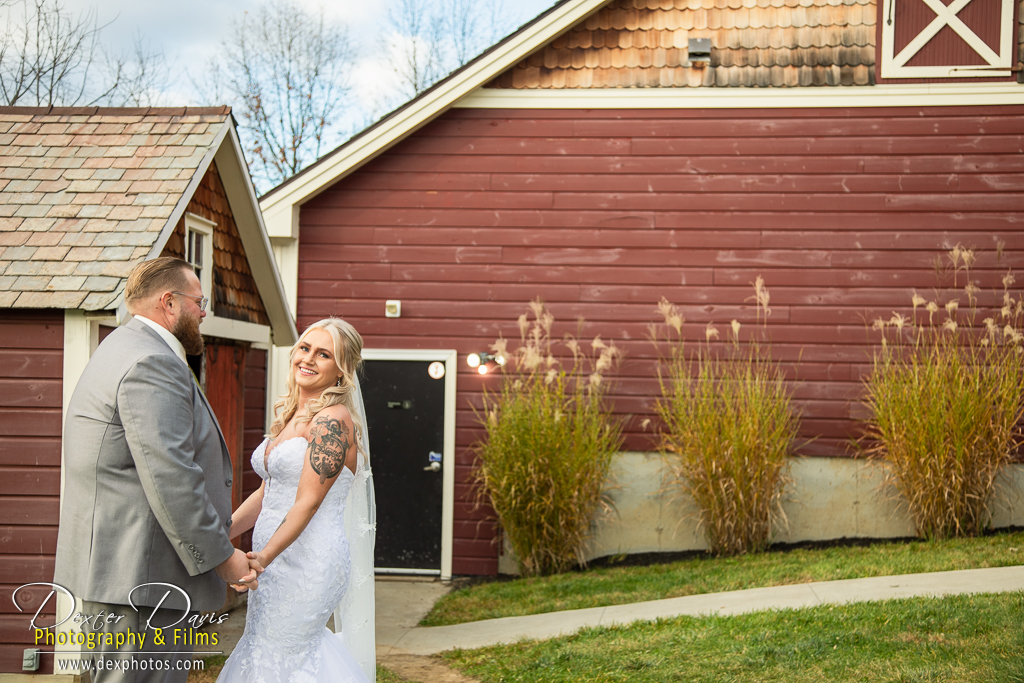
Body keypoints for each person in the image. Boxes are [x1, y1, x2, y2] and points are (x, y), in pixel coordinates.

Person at [53, 257, 261, 683]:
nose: (205, 312)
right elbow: (171, 477)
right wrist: (223, 559)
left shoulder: (120, 347)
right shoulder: (152, 362)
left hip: (123, 576)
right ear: (169, 302)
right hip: (144, 581)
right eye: (199, 302)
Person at [217, 318, 377, 683]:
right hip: (273, 558)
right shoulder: (290, 415)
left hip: (309, 561)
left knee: (287, 652)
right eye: (305, 348)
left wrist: (262, 559)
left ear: (341, 369)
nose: (308, 359)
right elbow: (265, 493)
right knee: (264, 647)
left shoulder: (332, 421)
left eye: (324, 354)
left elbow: (308, 502)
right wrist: (219, 535)